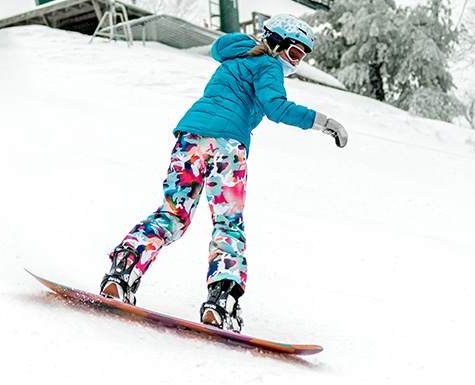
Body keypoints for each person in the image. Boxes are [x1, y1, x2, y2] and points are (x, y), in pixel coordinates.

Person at [99, 14, 348, 333]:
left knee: (173, 212)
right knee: (228, 222)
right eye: (293, 52)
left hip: (190, 138)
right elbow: (277, 108)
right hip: (227, 146)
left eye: (300, 56)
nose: (294, 62)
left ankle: (122, 274)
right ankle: (222, 303)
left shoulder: (234, 57)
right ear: (275, 43)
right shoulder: (268, 65)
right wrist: (324, 123)